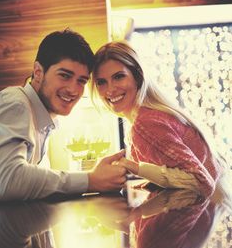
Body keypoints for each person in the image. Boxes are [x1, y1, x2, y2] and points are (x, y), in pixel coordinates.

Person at [0, 29, 127, 201]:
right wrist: (90, 180)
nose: (73, 90)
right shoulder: (17, 103)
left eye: (81, 81)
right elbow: (8, 180)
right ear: (38, 72)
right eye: (64, 75)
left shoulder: (42, 118)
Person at [91, 40, 228, 198]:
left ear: (137, 76)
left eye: (119, 77)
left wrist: (132, 166)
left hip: (208, 210)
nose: (110, 90)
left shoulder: (146, 123)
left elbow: (201, 182)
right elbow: (177, 169)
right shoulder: (147, 116)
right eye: (101, 82)